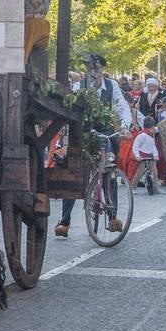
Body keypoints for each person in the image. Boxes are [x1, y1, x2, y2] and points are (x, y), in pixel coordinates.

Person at [55, 52, 132, 237]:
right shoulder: (78, 85)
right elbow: (69, 109)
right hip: (82, 132)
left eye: (96, 68)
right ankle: (65, 221)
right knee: (74, 172)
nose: (93, 72)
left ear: (102, 69)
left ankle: (113, 217)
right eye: (90, 68)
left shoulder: (111, 85)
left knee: (109, 170)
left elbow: (122, 107)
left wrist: (124, 126)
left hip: (104, 132)